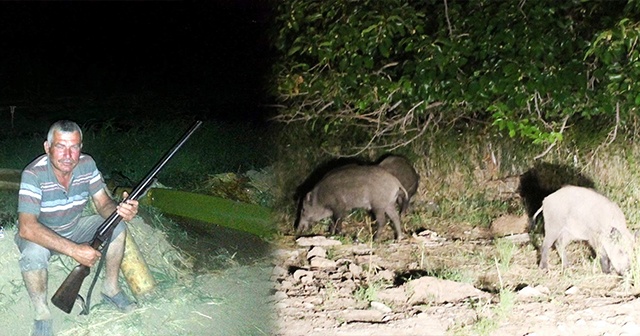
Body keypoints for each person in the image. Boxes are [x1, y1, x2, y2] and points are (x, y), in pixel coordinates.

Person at [16, 120, 139, 336]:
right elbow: (27, 228)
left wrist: (119, 212)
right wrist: (74, 250)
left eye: (74, 147)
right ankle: (42, 313)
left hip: (73, 227)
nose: (68, 155)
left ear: (80, 147)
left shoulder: (87, 164)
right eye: (61, 146)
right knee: (33, 253)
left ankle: (110, 288)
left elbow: (102, 203)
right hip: (40, 234)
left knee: (117, 228)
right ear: (48, 147)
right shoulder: (33, 174)